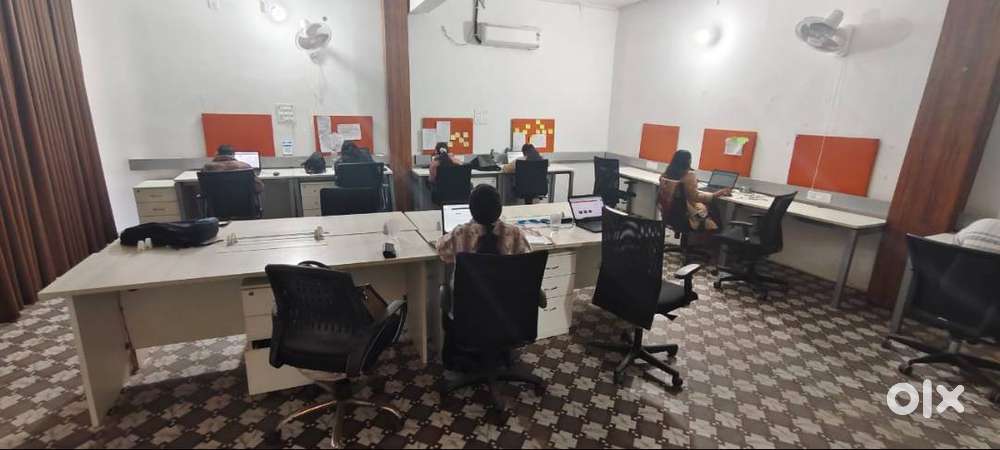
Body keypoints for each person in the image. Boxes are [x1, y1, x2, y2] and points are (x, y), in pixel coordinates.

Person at [657, 149, 729, 231]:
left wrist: (693, 183)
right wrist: (715, 194)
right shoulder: (689, 175)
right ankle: (717, 233)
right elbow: (695, 197)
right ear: (688, 161)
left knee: (707, 207)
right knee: (713, 207)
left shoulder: (665, 174)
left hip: (669, 215)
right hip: (687, 217)